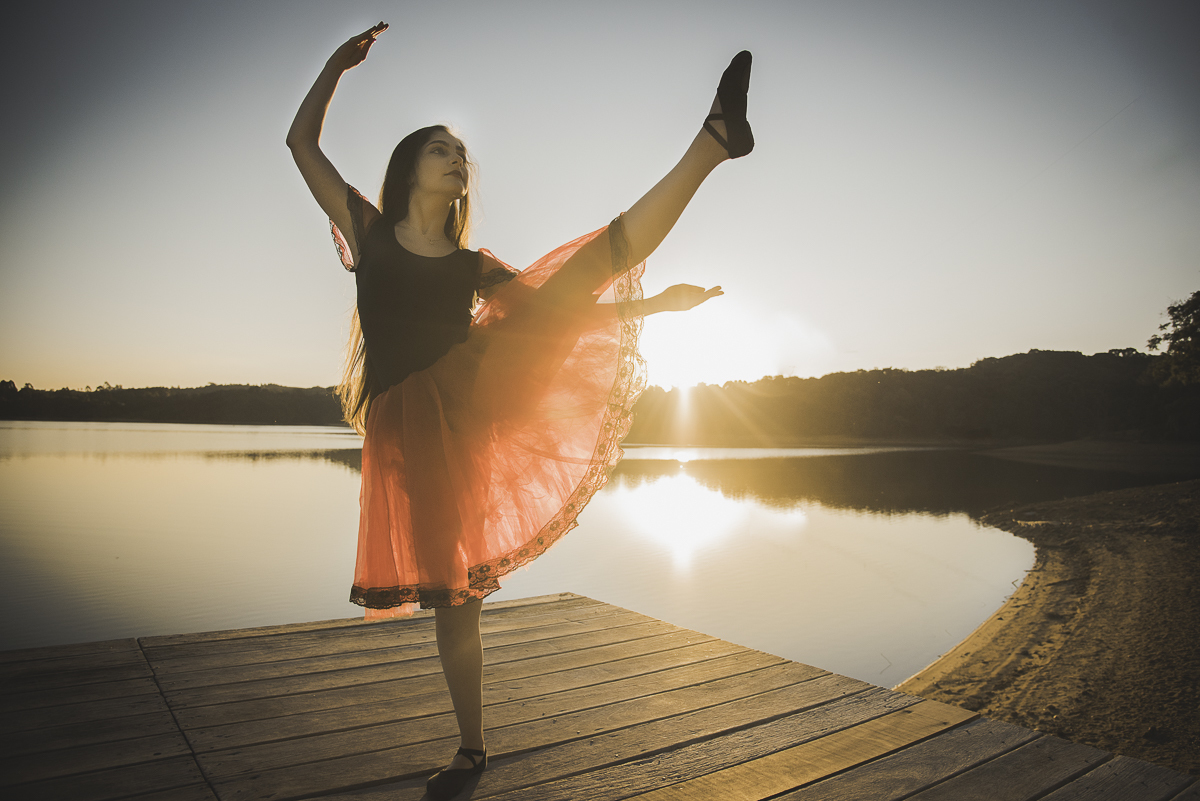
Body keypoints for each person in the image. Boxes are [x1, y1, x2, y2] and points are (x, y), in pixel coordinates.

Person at [287, 22, 753, 800]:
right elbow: (301, 143)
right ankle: (473, 746)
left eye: (461, 154)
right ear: (409, 168)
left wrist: (654, 308)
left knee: (583, 268)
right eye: (441, 149)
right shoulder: (370, 233)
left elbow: (556, 316)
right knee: (455, 602)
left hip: (480, 394)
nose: (456, 159)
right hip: (416, 430)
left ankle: (712, 144)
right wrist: (337, 63)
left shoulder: (473, 265)